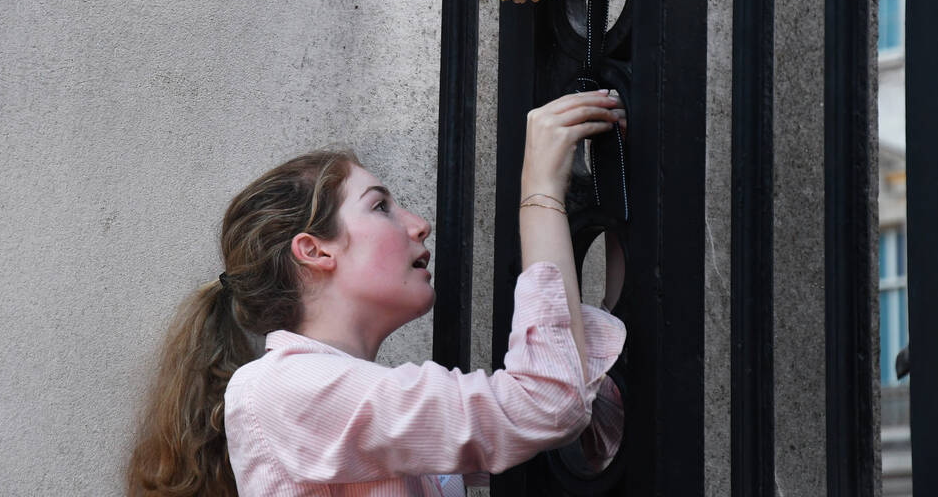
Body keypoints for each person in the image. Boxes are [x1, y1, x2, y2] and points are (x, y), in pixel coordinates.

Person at [127, 90, 627, 496]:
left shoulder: (353, 401)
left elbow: (580, 409)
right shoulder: (283, 388)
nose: (419, 225)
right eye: (381, 207)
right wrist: (539, 195)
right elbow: (546, 404)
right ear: (315, 251)